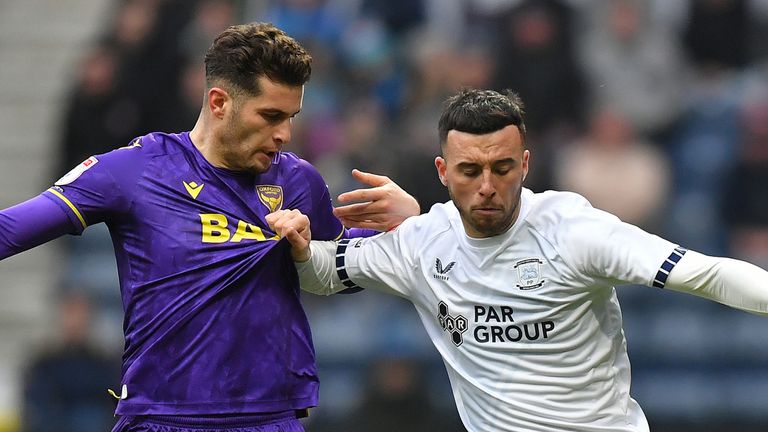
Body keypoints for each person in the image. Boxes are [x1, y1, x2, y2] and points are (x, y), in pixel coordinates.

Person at [0, 22, 418, 432]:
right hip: (162, 418)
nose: (285, 134)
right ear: (219, 102)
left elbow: (348, 263)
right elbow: (11, 229)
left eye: (291, 116)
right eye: (271, 116)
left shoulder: (298, 182)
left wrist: (409, 225)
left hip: (270, 419)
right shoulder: (136, 170)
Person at [270, 88, 768, 432]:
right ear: (443, 171)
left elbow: (710, 274)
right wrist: (297, 241)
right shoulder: (421, 242)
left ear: (525, 165)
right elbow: (322, 275)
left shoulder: (575, 231)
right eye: (469, 170)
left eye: (502, 167)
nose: (487, 186)